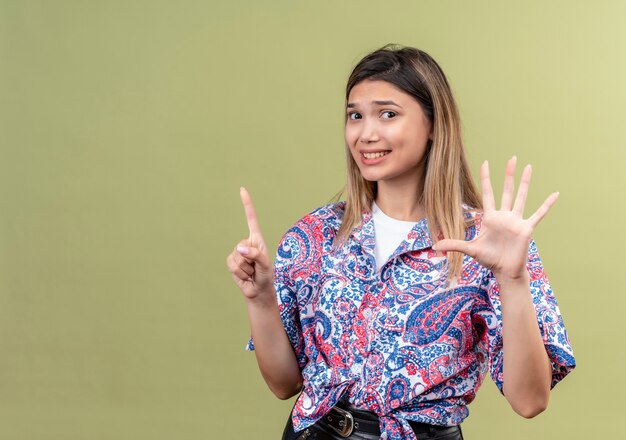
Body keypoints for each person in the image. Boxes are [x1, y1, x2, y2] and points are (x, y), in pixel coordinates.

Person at [226, 44, 576, 440]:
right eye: (355, 115)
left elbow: (529, 402)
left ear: (433, 125)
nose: (366, 133)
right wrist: (260, 300)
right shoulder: (315, 235)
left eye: (387, 114)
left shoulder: (490, 244)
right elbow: (284, 385)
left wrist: (513, 281)